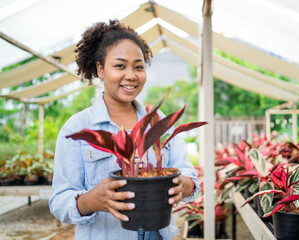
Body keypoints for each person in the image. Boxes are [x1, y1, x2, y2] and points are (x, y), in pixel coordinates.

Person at [49, 19, 200, 240]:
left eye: (138, 67)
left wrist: (184, 185)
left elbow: (188, 175)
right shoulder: (77, 128)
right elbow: (59, 202)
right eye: (120, 66)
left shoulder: (158, 123)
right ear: (100, 69)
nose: (131, 75)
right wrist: (91, 200)